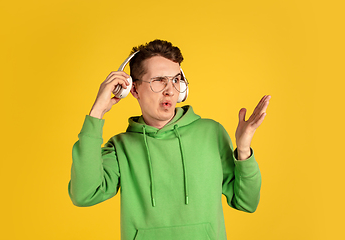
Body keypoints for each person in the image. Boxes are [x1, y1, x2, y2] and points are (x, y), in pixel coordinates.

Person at [68, 39, 271, 240]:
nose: (170, 90)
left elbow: (247, 202)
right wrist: (96, 114)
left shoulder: (212, 133)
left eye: (175, 80)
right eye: (158, 80)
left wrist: (243, 150)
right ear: (134, 89)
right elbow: (84, 194)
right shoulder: (121, 147)